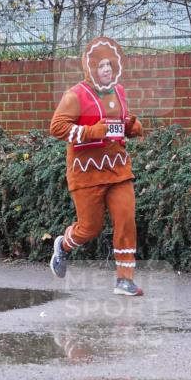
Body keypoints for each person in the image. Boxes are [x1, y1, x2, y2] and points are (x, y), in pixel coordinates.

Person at [48, 36, 144, 296]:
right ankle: (64, 246)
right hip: (86, 171)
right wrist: (91, 131)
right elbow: (57, 128)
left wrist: (131, 127)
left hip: (118, 168)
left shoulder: (119, 92)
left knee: (126, 219)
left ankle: (125, 279)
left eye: (110, 65)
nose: (106, 70)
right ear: (90, 68)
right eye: (101, 65)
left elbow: (119, 124)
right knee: (90, 227)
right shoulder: (75, 95)